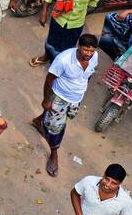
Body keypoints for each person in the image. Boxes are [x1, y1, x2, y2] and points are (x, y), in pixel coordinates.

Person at [32, 33, 99, 177]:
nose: (89, 54)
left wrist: (82, 88)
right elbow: (49, 80)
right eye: (86, 50)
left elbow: (89, 74)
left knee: (63, 118)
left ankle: (39, 121)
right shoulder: (63, 60)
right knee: (56, 129)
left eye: (92, 51)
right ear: (78, 47)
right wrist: (46, 100)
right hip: (59, 97)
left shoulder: (95, 57)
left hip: (77, 97)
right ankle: (54, 154)